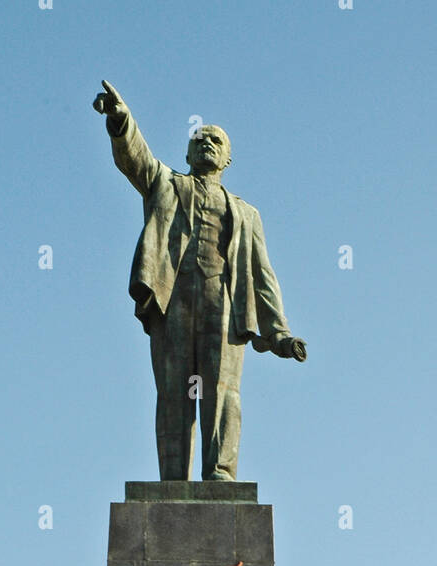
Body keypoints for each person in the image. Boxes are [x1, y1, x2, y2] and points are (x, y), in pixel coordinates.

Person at [93, 80, 306, 481]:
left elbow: (263, 277)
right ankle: (173, 477)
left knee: (221, 393)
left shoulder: (246, 214)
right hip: (173, 300)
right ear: (188, 153)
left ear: (228, 158)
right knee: (174, 394)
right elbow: (136, 160)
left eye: (216, 140)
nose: (207, 142)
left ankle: (220, 473)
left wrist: (279, 333)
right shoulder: (166, 184)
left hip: (223, 306)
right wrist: (122, 122)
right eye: (199, 139)